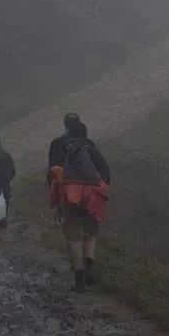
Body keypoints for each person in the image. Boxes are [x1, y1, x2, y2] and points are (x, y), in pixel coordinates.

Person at [48, 116, 111, 292]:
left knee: (74, 238)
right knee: (90, 234)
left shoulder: (58, 145)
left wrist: (57, 197)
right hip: (92, 197)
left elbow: (51, 172)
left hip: (69, 197)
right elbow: (105, 171)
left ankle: (79, 279)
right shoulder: (89, 146)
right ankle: (89, 268)